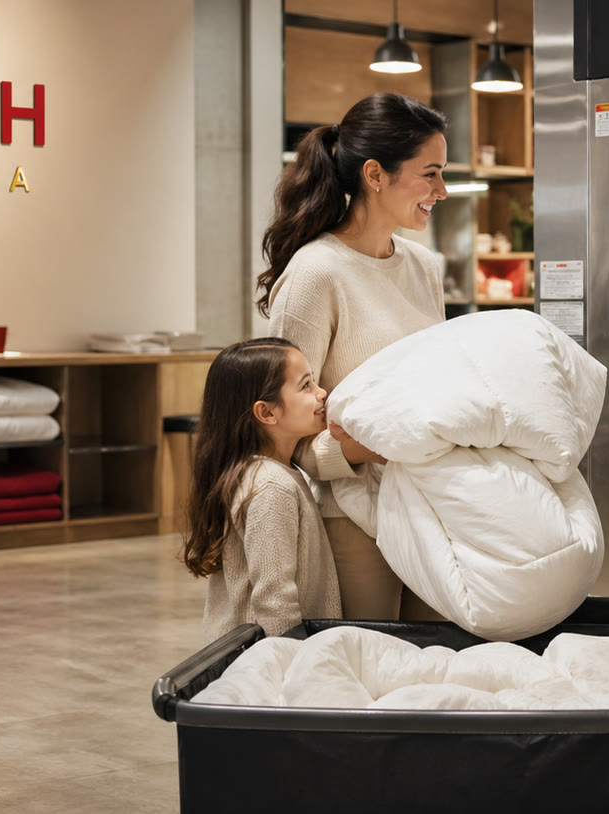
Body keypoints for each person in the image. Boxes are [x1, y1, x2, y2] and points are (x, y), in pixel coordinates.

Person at [255, 92, 449, 620]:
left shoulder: (424, 267)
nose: (442, 190)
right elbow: (277, 430)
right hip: (349, 514)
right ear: (375, 174)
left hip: (431, 501)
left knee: (442, 664)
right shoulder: (316, 274)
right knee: (374, 663)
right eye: (430, 174)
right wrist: (359, 452)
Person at [185, 338, 341, 642]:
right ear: (267, 413)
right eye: (306, 386)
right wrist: (291, 668)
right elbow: (274, 601)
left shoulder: (270, 474)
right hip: (263, 665)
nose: (322, 393)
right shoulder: (271, 486)